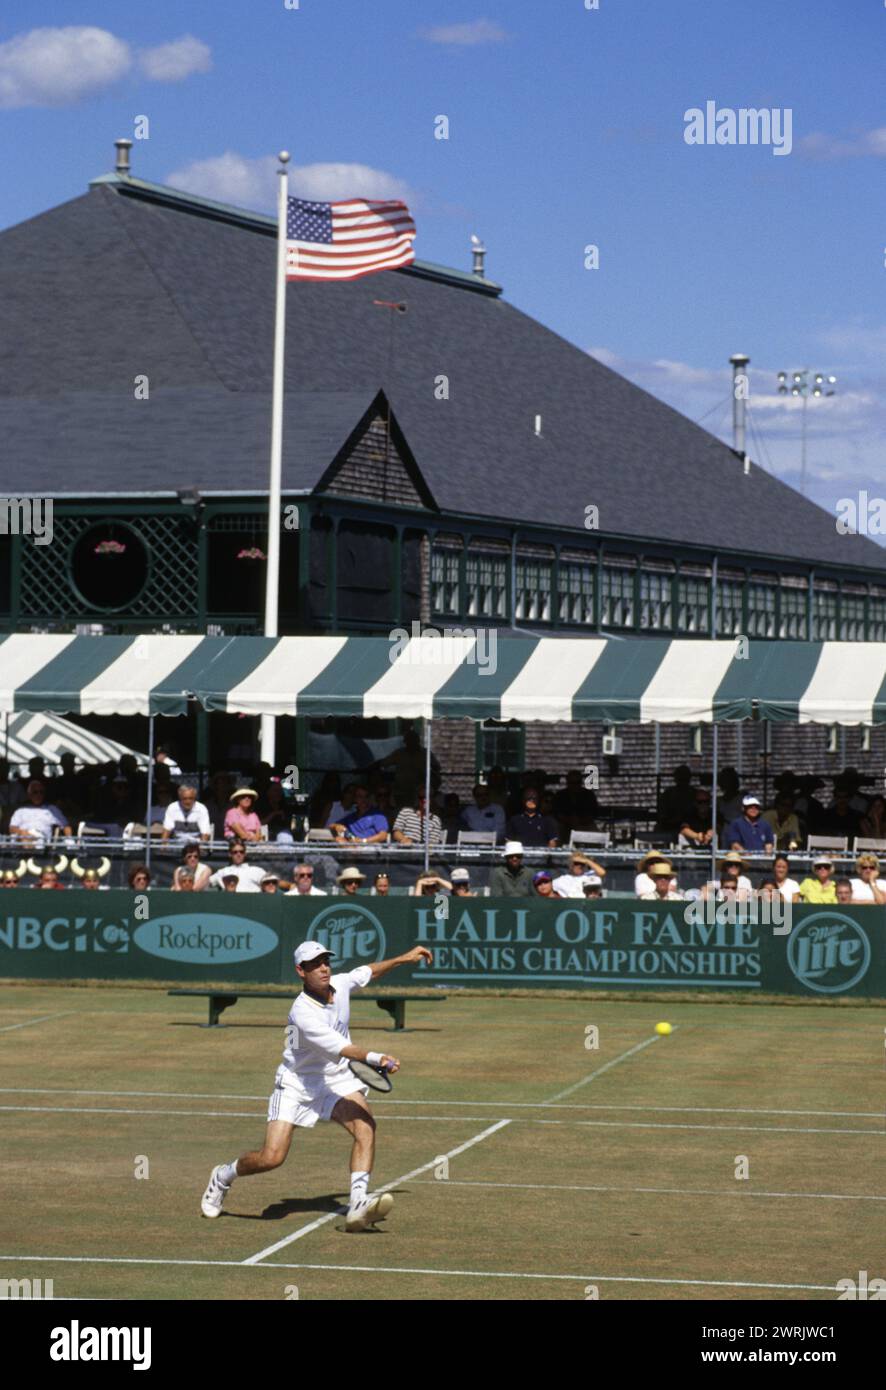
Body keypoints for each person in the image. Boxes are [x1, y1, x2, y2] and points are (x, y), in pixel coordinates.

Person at [199, 939, 433, 1230]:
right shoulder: (302, 1014)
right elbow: (345, 1049)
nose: (323, 968)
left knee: (365, 1125)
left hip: (336, 1078)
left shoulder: (341, 983)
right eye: (315, 964)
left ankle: (357, 1204)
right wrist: (377, 1057)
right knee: (271, 1158)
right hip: (297, 1084)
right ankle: (223, 1176)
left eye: (326, 961)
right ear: (301, 970)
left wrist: (405, 958)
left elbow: (370, 971)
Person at [9, 781, 71, 845]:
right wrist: (23, 832)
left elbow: (65, 825)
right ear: (29, 794)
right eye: (35, 792)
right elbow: (12, 828)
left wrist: (69, 839)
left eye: (41, 792)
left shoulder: (52, 809)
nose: (38, 795)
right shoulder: (21, 810)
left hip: (42, 841)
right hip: (23, 839)